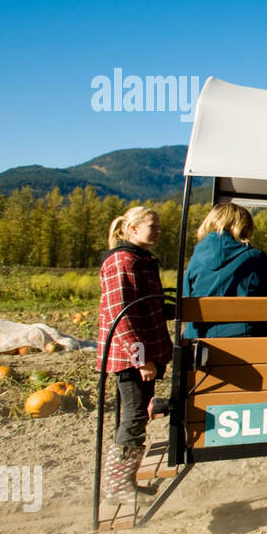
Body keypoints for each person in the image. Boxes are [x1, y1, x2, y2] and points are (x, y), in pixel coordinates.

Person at [97, 206, 173, 504]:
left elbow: (147, 307)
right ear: (131, 228)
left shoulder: (140, 261)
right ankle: (117, 486)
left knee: (136, 416)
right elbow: (122, 317)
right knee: (134, 417)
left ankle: (124, 482)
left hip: (142, 354)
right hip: (131, 357)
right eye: (152, 226)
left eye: (158, 227)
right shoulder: (122, 261)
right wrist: (141, 359)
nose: (157, 231)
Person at [183, 203, 267, 338]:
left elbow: (186, 296)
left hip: (198, 340)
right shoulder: (255, 257)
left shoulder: (195, 258)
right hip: (243, 340)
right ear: (242, 227)